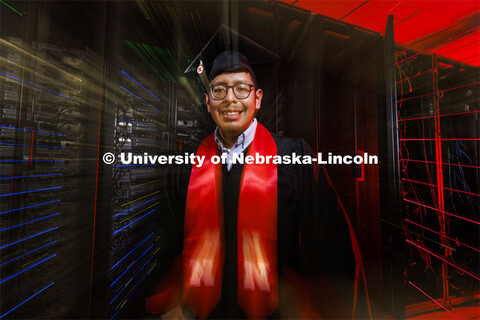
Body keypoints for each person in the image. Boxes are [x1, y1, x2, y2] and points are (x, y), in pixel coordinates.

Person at [145, 40, 370, 319]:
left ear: (258, 98)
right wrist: (170, 301)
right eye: (219, 90)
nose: (230, 99)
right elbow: (168, 241)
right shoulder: (185, 164)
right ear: (207, 101)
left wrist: (320, 305)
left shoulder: (293, 157)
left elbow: (333, 246)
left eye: (241, 88)